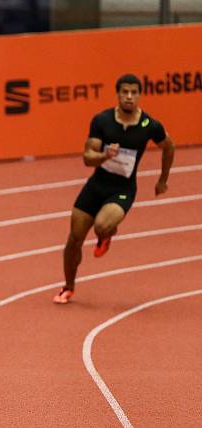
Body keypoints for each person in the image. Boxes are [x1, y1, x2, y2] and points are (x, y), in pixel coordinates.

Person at [54, 73, 175, 304]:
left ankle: (106, 235)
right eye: (125, 92)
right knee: (74, 239)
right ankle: (68, 287)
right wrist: (104, 155)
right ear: (118, 94)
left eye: (134, 92)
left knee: (102, 225)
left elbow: (169, 147)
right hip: (97, 185)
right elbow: (87, 158)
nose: (129, 97)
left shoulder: (149, 125)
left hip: (123, 190)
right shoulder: (102, 121)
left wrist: (163, 179)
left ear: (139, 95)